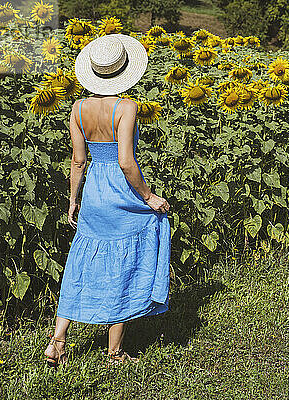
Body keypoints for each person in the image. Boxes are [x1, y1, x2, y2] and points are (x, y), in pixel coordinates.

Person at [43, 34, 171, 367]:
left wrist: (73, 199)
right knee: (126, 258)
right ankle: (114, 353)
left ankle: (57, 342)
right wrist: (149, 196)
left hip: (93, 192)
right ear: (125, 70)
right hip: (120, 191)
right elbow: (127, 162)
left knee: (81, 262)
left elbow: (77, 159)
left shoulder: (78, 108)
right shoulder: (126, 107)